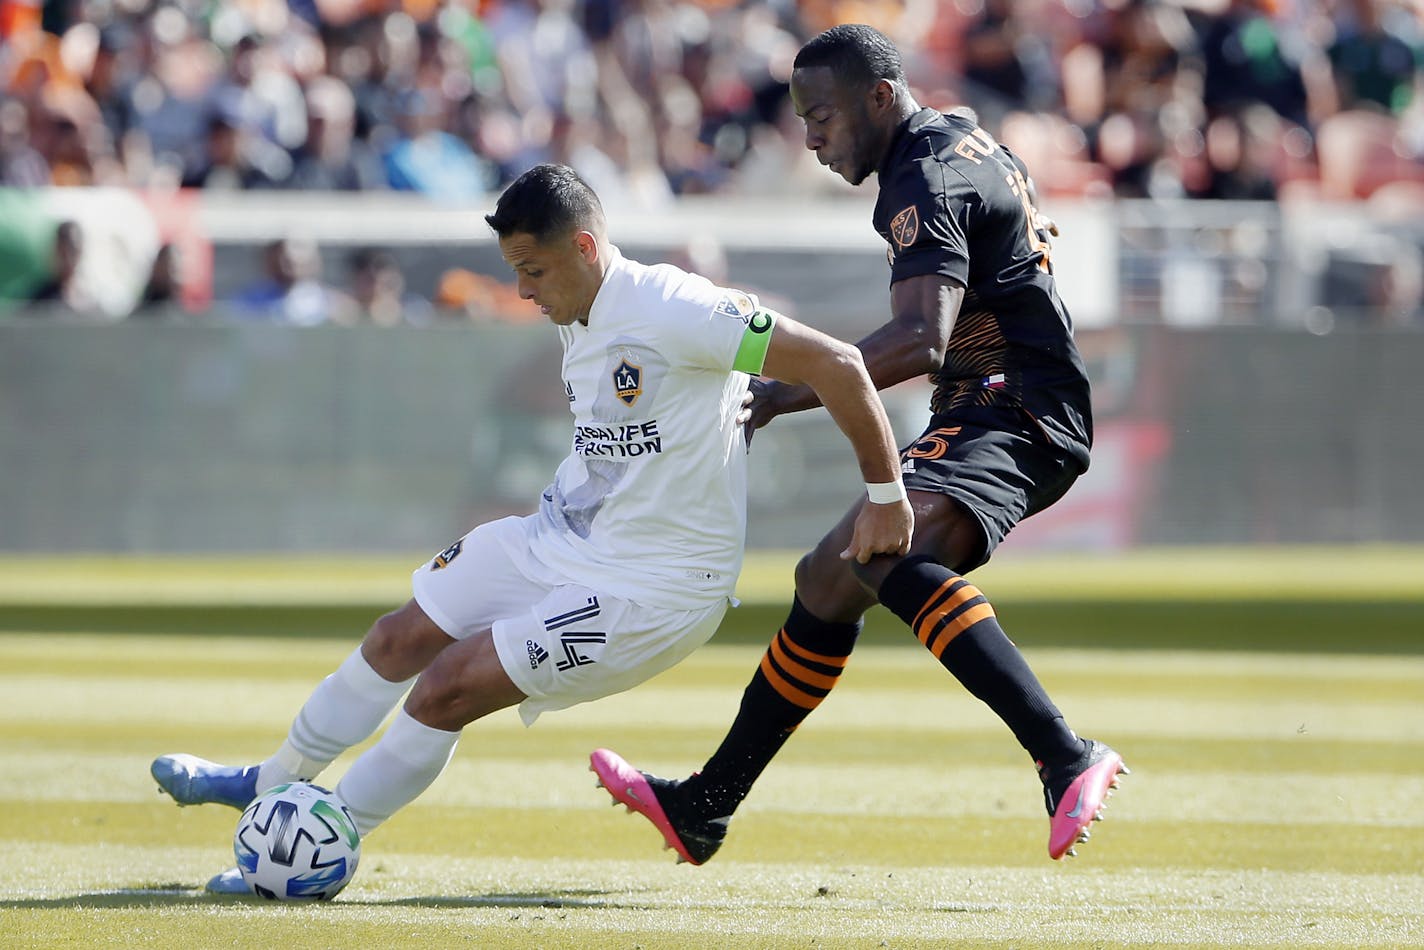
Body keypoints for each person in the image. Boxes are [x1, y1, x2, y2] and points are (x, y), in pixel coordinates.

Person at [148, 162, 913, 893]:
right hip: (556, 544)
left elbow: (839, 363)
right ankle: (272, 782)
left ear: (584, 247)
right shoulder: (579, 306)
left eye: (533, 270)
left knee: (446, 687)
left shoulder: (678, 307)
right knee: (397, 638)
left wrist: (885, 495)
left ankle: (315, 843)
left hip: (652, 592)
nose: (521, 290)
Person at [590, 23, 1127, 866]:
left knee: (881, 549)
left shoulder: (921, 174)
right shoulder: (956, 133)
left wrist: (786, 392)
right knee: (828, 577)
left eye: (824, 115)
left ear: (880, 97)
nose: (810, 136)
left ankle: (1066, 754)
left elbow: (921, 340)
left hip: (1011, 401)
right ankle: (705, 808)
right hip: (1004, 399)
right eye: (803, 118)